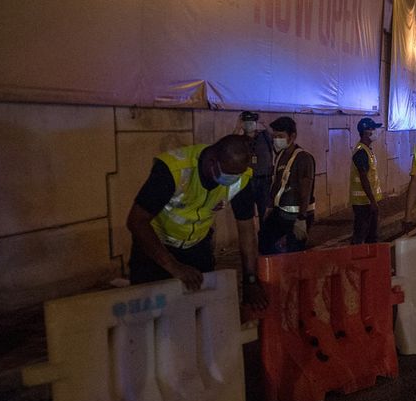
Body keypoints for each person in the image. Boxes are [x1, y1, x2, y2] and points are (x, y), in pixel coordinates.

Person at [126, 135, 267, 309]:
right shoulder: (174, 169)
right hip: (156, 248)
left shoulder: (241, 177)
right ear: (211, 162)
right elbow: (136, 221)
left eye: (237, 175)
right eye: (229, 175)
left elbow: (246, 229)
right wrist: (173, 266)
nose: (234, 180)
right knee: (150, 311)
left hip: (197, 247)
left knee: (197, 307)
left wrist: (250, 280)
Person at [258, 117, 316, 254]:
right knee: (266, 242)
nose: (277, 140)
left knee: (293, 253)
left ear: (292, 136)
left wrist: (302, 219)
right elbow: (277, 183)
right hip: (281, 213)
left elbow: (306, 189)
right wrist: (270, 207)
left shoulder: (303, 158)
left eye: (281, 136)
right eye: (275, 136)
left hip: (296, 217)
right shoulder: (281, 155)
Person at [236, 111, 274, 220]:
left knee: (265, 213)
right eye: (246, 122)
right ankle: (251, 236)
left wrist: (265, 124)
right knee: (246, 214)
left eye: (251, 121)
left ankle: (265, 235)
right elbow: (230, 144)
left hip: (264, 181)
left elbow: (275, 139)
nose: (249, 124)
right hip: (246, 181)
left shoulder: (264, 136)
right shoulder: (240, 140)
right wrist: (237, 127)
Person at [350, 117, 383, 244]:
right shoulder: (361, 152)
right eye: (373, 129)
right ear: (366, 132)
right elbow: (364, 178)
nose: (376, 131)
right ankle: (357, 259)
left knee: (370, 235)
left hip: (367, 201)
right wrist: (373, 201)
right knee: (362, 235)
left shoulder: (367, 150)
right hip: (364, 203)